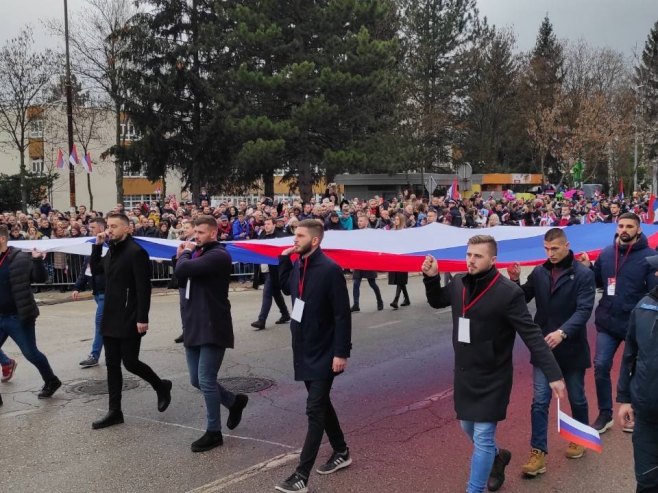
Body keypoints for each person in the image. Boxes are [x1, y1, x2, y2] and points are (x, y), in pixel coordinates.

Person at [422, 235, 565, 493]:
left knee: (482, 437)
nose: (471, 260)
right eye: (468, 255)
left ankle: (473, 489)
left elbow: (532, 334)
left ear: (493, 260)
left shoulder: (508, 293)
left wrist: (553, 373)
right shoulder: (458, 283)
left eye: (478, 256)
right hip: (465, 373)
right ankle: (498, 457)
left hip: (494, 376)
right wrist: (431, 278)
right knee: (468, 427)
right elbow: (437, 301)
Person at [508, 228, 596, 477]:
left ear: (566, 245)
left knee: (577, 397)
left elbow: (584, 310)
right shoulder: (539, 272)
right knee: (539, 401)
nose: (550, 253)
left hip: (572, 347)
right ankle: (538, 453)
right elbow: (522, 297)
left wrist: (563, 332)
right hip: (544, 348)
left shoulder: (582, 274)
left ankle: (579, 437)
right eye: (546, 249)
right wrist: (514, 280)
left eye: (555, 248)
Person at [276, 219, 352, 493]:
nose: (294, 240)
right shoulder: (299, 264)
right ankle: (341, 450)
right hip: (304, 348)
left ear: (315, 240)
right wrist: (283, 259)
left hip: (325, 351)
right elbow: (287, 287)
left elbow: (342, 314)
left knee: (314, 409)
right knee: (321, 404)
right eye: (294, 235)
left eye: (299, 236)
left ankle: (301, 476)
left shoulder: (330, 269)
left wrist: (341, 352)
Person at [89, 212, 172, 430]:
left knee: (131, 362)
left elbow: (144, 288)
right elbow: (97, 269)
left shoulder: (136, 252)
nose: (110, 230)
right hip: (110, 315)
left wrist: (142, 317)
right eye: (108, 226)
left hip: (129, 316)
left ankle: (160, 386)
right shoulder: (112, 250)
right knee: (112, 365)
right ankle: (114, 411)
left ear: (127, 228)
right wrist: (97, 246)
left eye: (114, 226)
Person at [579, 212, 658, 433]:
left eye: (629, 226)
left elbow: (654, 292)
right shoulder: (605, 254)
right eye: (621, 225)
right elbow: (597, 282)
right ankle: (606, 414)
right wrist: (587, 268)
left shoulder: (650, 257)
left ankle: (634, 412)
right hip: (608, 321)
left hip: (637, 324)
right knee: (601, 365)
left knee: (637, 369)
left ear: (639, 230)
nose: (624, 230)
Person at [175, 215, 248, 452]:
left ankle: (214, 431)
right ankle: (233, 401)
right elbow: (179, 276)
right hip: (193, 324)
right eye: (194, 232)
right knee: (196, 379)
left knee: (206, 379)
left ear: (214, 233)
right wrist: (182, 255)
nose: (196, 237)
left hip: (213, 324)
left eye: (201, 233)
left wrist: (184, 254)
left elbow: (185, 268)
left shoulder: (218, 255)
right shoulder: (198, 254)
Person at [0, 225, 61, 399]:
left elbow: (40, 278)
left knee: (31, 353)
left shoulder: (19, 258)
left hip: (18, 316)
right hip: (0, 316)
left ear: (2, 239)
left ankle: (51, 380)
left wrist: (37, 260)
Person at [617, 255, 658, 493]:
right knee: (646, 479)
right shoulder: (643, 307)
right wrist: (624, 399)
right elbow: (629, 355)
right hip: (647, 413)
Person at [72, 218, 107, 368]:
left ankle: (94, 355)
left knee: (100, 324)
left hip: (107, 292)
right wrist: (77, 287)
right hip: (97, 293)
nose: (90, 229)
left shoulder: (109, 247)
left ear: (101, 228)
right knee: (106, 324)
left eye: (92, 227)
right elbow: (86, 270)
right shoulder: (93, 246)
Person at [251, 217, 290, 331]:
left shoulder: (280, 236)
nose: (266, 226)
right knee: (276, 293)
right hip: (266, 269)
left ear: (274, 225)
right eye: (265, 224)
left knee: (267, 293)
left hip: (277, 270)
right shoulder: (262, 236)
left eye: (268, 224)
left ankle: (261, 320)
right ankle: (285, 314)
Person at [350, 215, 383, 312]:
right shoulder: (355, 233)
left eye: (361, 221)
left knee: (372, 283)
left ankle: (379, 301)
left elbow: (375, 246)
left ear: (366, 222)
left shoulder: (371, 233)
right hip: (358, 262)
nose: (359, 223)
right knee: (356, 283)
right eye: (358, 221)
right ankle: (356, 304)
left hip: (368, 261)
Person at [173, 219, 195, 344]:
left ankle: (191, 332)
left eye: (187, 227)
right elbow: (179, 261)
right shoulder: (183, 242)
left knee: (189, 306)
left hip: (190, 279)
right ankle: (185, 331)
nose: (184, 229)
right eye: (183, 227)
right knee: (183, 307)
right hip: (183, 279)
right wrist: (178, 255)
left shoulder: (195, 243)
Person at [388, 212, 410, 309]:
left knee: (400, 279)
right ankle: (407, 299)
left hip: (403, 258)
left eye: (397, 219)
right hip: (394, 258)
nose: (395, 221)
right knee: (399, 280)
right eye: (395, 219)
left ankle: (396, 300)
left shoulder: (405, 232)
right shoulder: (392, 231)